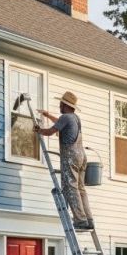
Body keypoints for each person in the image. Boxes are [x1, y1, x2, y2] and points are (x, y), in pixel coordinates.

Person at [36, 91, 94, 230]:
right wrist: (48, 115)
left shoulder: (65, 117)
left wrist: (39, 130)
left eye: (61, 103)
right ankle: (88, 219)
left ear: (65, 105)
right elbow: (60, 123)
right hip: (81, 155)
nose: (59, 105)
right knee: (81, 188)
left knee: (70, 187)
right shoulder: (74, 118)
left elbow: (50, 131)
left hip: (71, 156)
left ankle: (80, 220)